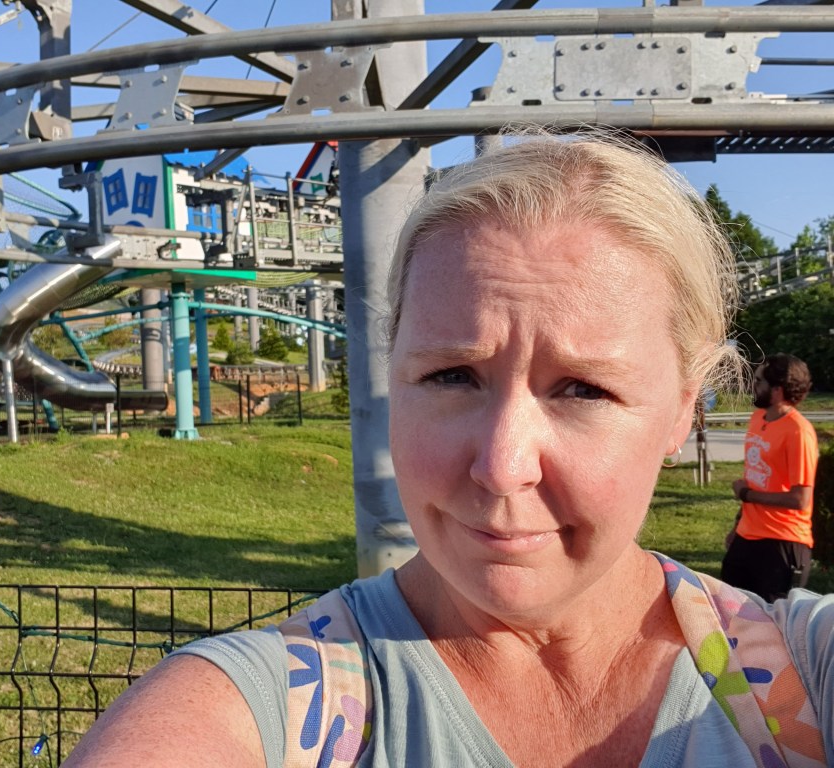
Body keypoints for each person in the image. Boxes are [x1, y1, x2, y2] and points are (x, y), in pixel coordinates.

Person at [63, 133, 833, 767]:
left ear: (683, 410)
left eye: (583, 389)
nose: (501, 466)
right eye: (452, 375)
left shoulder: (811, 674)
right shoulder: (266, 708)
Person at [722, 353, 819, 601]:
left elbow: (800, 499)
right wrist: (738, 526)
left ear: (777, 390)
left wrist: (747, 495)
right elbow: (755, 477)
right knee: (728, 613)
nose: (753, 386)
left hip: (782, 542)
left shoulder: (798, 432)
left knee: (769, 622)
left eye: (759, 381)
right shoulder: (758, 418)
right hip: (747, 537)